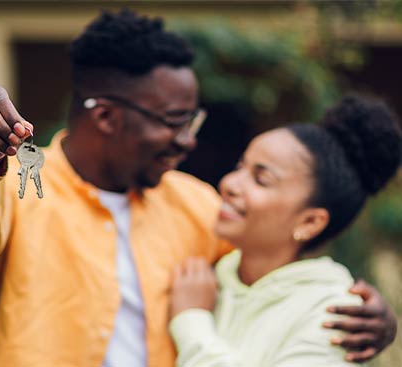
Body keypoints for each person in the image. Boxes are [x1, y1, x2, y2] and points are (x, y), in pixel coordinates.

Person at [0, 8, 396, 366]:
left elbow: (267, 274)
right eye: (174, 121)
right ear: (106, 116)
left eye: (193, 119)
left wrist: (368, 317)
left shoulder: (199, 205)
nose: (189, 139)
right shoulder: (16, 188)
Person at [168, 96, 402, 366]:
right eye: (240, 167)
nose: (229, 183)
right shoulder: (209, 275)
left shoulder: (334, 312)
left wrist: (191, 322)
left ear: (309, 222)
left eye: (261, 180)